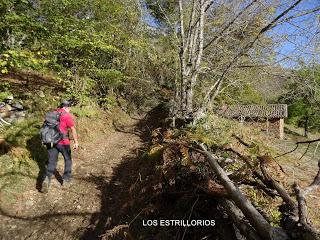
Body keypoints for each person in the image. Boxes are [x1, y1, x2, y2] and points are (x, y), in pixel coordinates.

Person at [42, 100, 79, 193]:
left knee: (51, 162)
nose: (70, 110)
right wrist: (76, 142)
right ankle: (66, 180)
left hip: (51, 142)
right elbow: (73, 129)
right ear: (67, 107)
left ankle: (46, 179)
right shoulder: (66, 115)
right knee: (68, 160)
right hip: (63, 142)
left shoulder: (52, 113)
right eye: (69, 108)